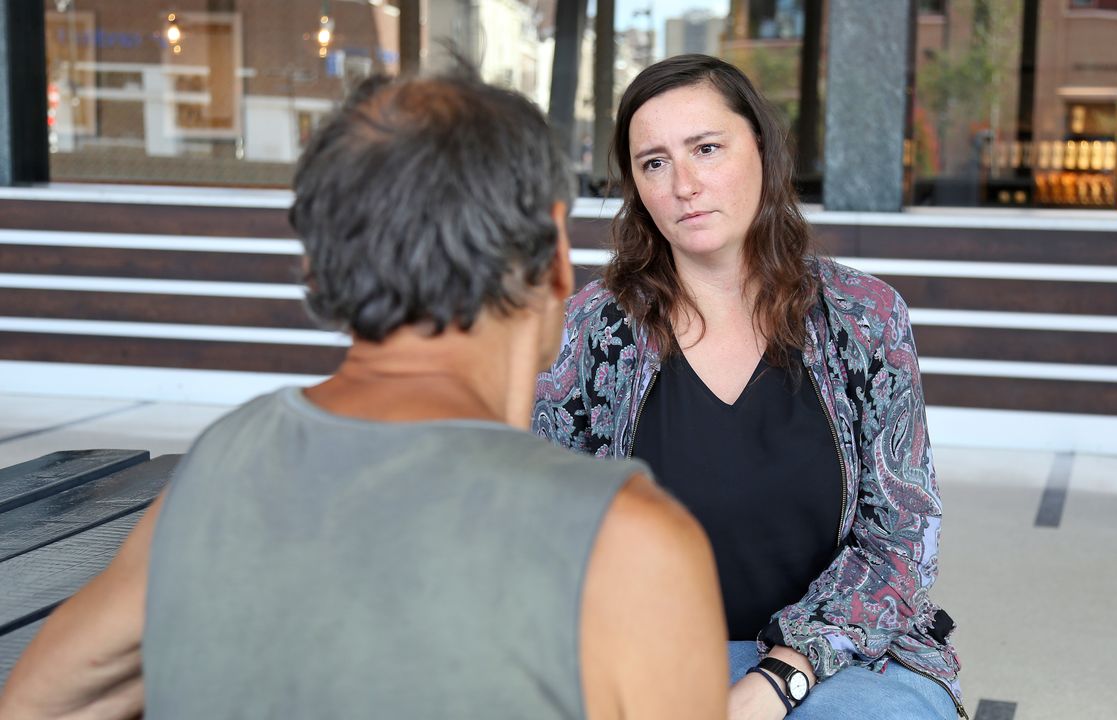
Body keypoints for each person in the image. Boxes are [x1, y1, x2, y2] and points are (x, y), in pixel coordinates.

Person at [0, 71, 728, 720]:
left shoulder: (219, 466)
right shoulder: (630, 542)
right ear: (556, 251)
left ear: (323, 264)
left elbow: (39, 701)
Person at [533, 54, 964, 720]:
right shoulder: (591, 329)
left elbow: (901, 545)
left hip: (846, 659)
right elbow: (549, 530)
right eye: (654, 163)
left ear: (761, 147)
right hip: (645, 653)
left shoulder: (866, 318)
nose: (684, 184)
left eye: (707, 148)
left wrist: (779, 676)